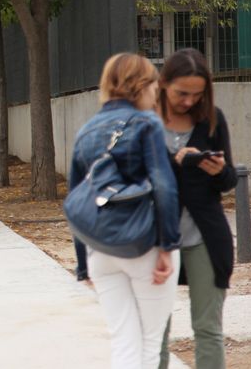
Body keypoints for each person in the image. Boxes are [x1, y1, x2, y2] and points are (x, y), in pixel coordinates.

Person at [70, 53, 181, 369]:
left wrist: (83, 265)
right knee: (149, 344)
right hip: (144, 243)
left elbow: (78, 201)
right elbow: (165, 186)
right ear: (142, 85)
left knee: (123, 342)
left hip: (100, 251)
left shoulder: (86, 131)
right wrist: (167, 245)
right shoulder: (148, 123)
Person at [156, 48, 237, 369]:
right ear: (163, 84)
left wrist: (219, 172)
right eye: (181, 93)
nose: (189, 101)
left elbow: (229, 177)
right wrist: (176, 163)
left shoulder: (212, 119)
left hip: (205, 238)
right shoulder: (145, 121)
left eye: (197, 94)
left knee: (208, 328)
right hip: (156, 240)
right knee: (155, 332)